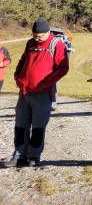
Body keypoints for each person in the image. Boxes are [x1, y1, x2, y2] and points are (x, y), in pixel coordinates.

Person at [2, 18, 69, 167]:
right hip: (24, 92)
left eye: (40, 36)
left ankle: (34, 156)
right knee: (20, 125)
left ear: (48, 32)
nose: (36, 38)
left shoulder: (57, 45)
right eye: (34, 35)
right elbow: (23, 60)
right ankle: (19, 155)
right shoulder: (30, 43)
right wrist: (18, 76)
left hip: (43, 93)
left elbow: (63, 68)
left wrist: (45, 84)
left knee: (38, 126)